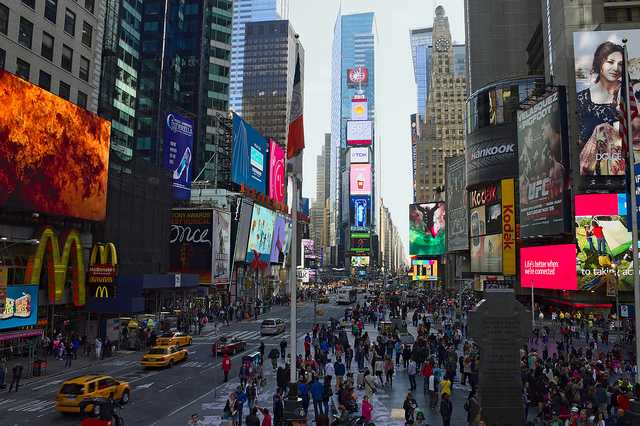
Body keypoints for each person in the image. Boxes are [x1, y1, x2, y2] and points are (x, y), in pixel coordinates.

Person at [577, 41, 627, 176]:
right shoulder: (581, 100)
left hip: (632, 175)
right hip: (593, 182)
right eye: (610, 62)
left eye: (621, 64)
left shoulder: (632, 94)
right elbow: (576, 148)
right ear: (599, 63)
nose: (616, 68)